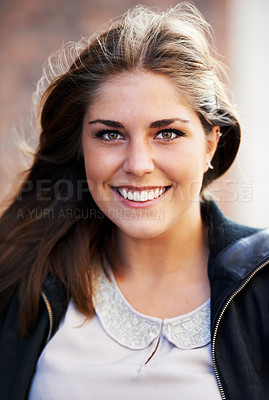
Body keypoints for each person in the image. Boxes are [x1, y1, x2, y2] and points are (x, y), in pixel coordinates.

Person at [0, 3, 268, 400]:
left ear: (211, 143)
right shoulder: (23, 281)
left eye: (167, 134)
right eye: (110, 134)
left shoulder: (262, 280)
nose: (138, 165)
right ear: (81, 147)